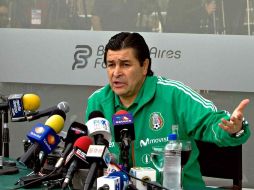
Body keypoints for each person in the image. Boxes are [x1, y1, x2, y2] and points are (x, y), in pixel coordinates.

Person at [85, 32, 251, 189]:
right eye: (111, 65)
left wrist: (233, 129)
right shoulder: (97, 102)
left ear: (144, 66)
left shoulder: (173, 95)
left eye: (125, 64)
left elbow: (212, 122)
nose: (116, 73)